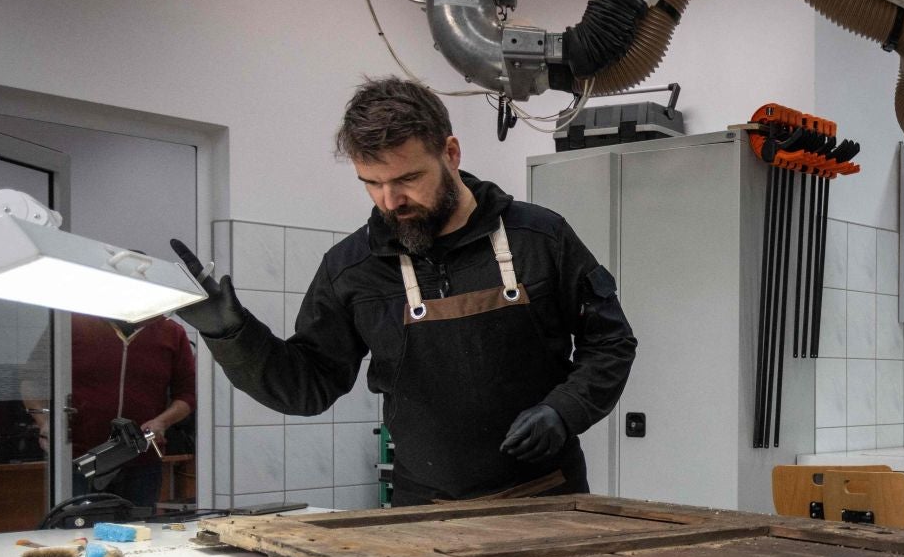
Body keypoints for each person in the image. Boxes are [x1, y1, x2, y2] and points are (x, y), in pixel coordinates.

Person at [169, 77, 637, 505]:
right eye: (372, 184)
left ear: (450, 153)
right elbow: (307, 388)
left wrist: (564, 409)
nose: (390, 201)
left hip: (547, 497)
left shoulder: (541, 238)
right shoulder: (351, 269)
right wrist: (231, 335)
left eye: (407, 179)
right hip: (421, 509)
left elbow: (610, 342)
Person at [27, 310, 196, 506]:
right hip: (78, 458)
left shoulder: (171, 333)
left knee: (139, 532)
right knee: (75, 533)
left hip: (141, 459)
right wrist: (45, 422)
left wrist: (162, 421)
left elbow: (187, 395)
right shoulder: (72, 324)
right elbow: (31, 380)